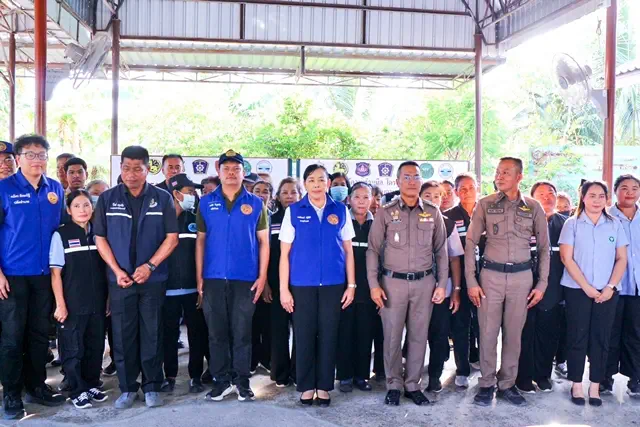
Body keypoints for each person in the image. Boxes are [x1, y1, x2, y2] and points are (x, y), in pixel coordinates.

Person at [93, 146, 179, 409]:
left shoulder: (162, 198)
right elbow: (100, 238)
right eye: (126, 168)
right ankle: (128, 388)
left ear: (147, 169)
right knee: (122, 335)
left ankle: (152, 386)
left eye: (137, 169)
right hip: (120, 281)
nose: (131, 174)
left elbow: (172, 238)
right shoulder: (107, 198)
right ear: (121, 169)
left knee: (152, 332)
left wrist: (150, 266)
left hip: (152, 280)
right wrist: (117, 271)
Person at [465, 157, 550, 407]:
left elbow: (544, 248)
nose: (499, 177)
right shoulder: (485, 204)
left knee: (514, 335)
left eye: (506, 172)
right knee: (488, 333)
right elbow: (470, 242)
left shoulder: (533, 207)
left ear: (519, 177)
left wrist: (542, 284)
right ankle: (486, 383)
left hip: (522, 278)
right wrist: (471, 280)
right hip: (490, 277)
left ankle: (507, 384)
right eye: (498, 172)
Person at [366, 161, 449, 406]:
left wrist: (441, 284)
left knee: (418, 336)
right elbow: (373, 250)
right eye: (407, 177)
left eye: (416, 177)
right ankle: (393, 384)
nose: (412, 181)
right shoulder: (385, 212)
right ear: (398, 182)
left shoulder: (433, 212)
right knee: (392, 337)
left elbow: (441, 251)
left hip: (424, 283)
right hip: (392, 284)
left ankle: (413, 385)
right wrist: (374, 284)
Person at [0, 135, 66, 420]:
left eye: (41, 155)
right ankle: (11, 395)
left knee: (39, 335)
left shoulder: (55, 189)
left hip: (45, 276)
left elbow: (61, 229)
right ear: (18, 158)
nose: (37, 160)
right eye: (30, 154)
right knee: (13, 338)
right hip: (12, 276)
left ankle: (36, 386)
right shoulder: (4, 188)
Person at [279, 164, 356, 407]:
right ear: (305, 184)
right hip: (301, 284)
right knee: (303, 335)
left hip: (334, 284)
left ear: (328, 183)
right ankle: (306, 386)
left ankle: (323, 386)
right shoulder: (294, 211)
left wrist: (351, 285)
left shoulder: (340, 210)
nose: (316, 184)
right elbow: (284, 254)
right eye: (311, 180)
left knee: (329, 335)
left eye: (321, 180)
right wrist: (283, 289)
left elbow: (348, 251)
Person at [196, 150, 269, 402]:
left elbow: (264, 242)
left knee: (242, 332)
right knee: (216, 333)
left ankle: (242, 381)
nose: (231, 173)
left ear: (242, 172)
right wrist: (199, 277)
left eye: (236, 168)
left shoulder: (256, 203)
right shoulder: (206, 202)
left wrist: (262, 277)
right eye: (226, 168)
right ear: (218, 171)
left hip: (245, 278)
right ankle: (221, 380)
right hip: (213, 277)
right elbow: (201, 241)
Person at [559, 180, 628, 407]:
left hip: (608, 292)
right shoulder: (572, 223)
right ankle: (577, 384)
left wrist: (610, 287)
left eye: (601, 196)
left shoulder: (615, 224)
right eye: (592, 195)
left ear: (607, 199)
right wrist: (587, 287)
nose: (597, 200)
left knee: (601, 337)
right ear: (583, 198)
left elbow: (621, 258)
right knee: (577, 336)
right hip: (577, 289)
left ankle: (595, 385)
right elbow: (566, 258)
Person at [49, 189, 108, 409]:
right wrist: (60, 304)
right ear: (68, 210)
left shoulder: (99, 233)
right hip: (72, 303)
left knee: (95, 345)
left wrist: (108, 299)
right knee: (73, 348)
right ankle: (76, 390)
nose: (82, 210)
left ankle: (91, 384)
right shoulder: (61, 234)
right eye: (76, 206)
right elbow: (55, 273)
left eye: (86, 205)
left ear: (92, 208)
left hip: (97, 302)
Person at [515, 181, 568, 394]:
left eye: (551, 193)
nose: (547, 197)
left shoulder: (565, 224)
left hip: (554, 289)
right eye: (541, 194)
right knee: (524, 333)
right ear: (532, 198)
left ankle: (543, 376)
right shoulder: (522, 220)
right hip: (523, 286)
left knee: (549, 334)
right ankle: (523, 377)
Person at [160, 174, 210, 394]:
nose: (194, 195)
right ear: (176, 193)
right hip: (166, 289)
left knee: (196, 334)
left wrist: (202, 285)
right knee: (169, 335)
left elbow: (203, 252)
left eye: (194, 192)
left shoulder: (196, 218)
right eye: (190, 192)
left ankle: (195, 376)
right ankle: (169, 375)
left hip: (193, 289)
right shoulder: (161, 220)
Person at [418, 181, 464, 393]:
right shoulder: (409, 221)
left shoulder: (448, 224)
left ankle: (435, 376)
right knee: (415, 335)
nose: (432, 200)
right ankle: (412, 376)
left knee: (439, 334)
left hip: (441, 290)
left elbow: (455, 258)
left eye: (437, 196)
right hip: (414, 289)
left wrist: (455, 290)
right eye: (428, 195)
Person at [443, 172, 485, 388]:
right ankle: (462, 369)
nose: (467, 192)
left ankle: (486, 367)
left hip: (486, 279)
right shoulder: (448, 217)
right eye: (462, 189)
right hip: (458, 279)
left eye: (471, 188)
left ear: (478, 189)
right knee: (460, 325)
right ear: (456, 192)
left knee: (484, 325)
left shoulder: (487, 213)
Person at [336, 182, 376, 393]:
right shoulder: (341, 221)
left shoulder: (377, 224)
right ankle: (344, 376)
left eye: (366, 197)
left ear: (372, 200)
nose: (361, 201)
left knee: (365, 333)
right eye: (357, 197)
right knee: (344, 333)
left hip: (369, 289)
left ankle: (362, 376)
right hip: (344, 288)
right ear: (349, 199)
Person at [604, 174, 640, 397]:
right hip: (611, 286)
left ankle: (636, 378)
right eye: (624, 188)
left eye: (635, 188)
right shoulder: (605, 217)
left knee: (636, 333)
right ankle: (604, 377)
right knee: (609, 332)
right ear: (616, 191)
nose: (630, 192)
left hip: (637, 286)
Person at [269, 177, 301, 388]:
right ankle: (280, 373)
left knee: (301, 330)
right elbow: (264, 253)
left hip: (300, 283)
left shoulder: (304, 218)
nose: (289, 196)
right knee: (278, 330)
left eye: (293, 192)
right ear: (278, 197)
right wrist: (265, 283)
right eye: (285, 192)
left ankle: (298, 372)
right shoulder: (270, 220)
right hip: (274, 282)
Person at [251, 179, 274, 374]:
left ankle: (266, 359)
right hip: (250, 276)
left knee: (267, 322)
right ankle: (251, 360)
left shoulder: (276, 218)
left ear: (271, 196)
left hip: (271, 276)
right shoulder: (247, 216)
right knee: (251, 322)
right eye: (257, 190)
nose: (261, 194)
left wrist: (266, 281)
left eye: (265, 191)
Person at [369, 184, 385, 381]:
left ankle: (381, 368)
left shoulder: (388, 221)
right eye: (371, 198)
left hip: (386, 284)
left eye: (378, 198)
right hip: (362, 285)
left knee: (384, 330)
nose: (374, 202)